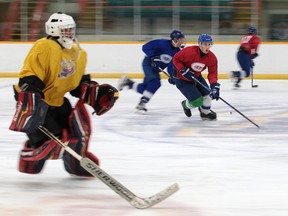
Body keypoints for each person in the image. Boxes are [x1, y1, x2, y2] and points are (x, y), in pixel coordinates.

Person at [9, 12, 119, 177]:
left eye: (71, 29)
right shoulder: (45, 47)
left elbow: (76, 84)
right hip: (38, 105)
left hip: (59, 102)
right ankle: (28, 156)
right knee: (50, 143)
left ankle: (76, 164)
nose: (70, 33)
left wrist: (93, 92)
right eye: (65, 30)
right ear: (53, 30)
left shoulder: (77, 52)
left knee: (77, 134)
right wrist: (30, 93)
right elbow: (31, 75)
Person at [117, 30, 185, 112]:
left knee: (147, 88)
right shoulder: (162, 43)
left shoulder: (177, 52)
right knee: (156, 83)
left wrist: (172, 76)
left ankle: (128, 83)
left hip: (156, 69)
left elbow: (171, 66)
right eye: (180, 39)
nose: (182, 41)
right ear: (175, 39)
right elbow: (145, 47)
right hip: (148, 64)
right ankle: (142, 103)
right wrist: (153, 57)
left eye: (182, 39)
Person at [171, 33, 220, 120]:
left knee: (208, 96)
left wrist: (214, 86)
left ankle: (204, 113)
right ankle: (185, 105)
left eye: (209, 44)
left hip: (197, 77)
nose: (207, 47)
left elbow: (212, 73)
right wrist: (183, 70)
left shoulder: (212, 58)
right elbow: (175, 59)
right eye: (205, 44)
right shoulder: (190, 51)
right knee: (197, 101)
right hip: (182, 79)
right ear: (200, 44)